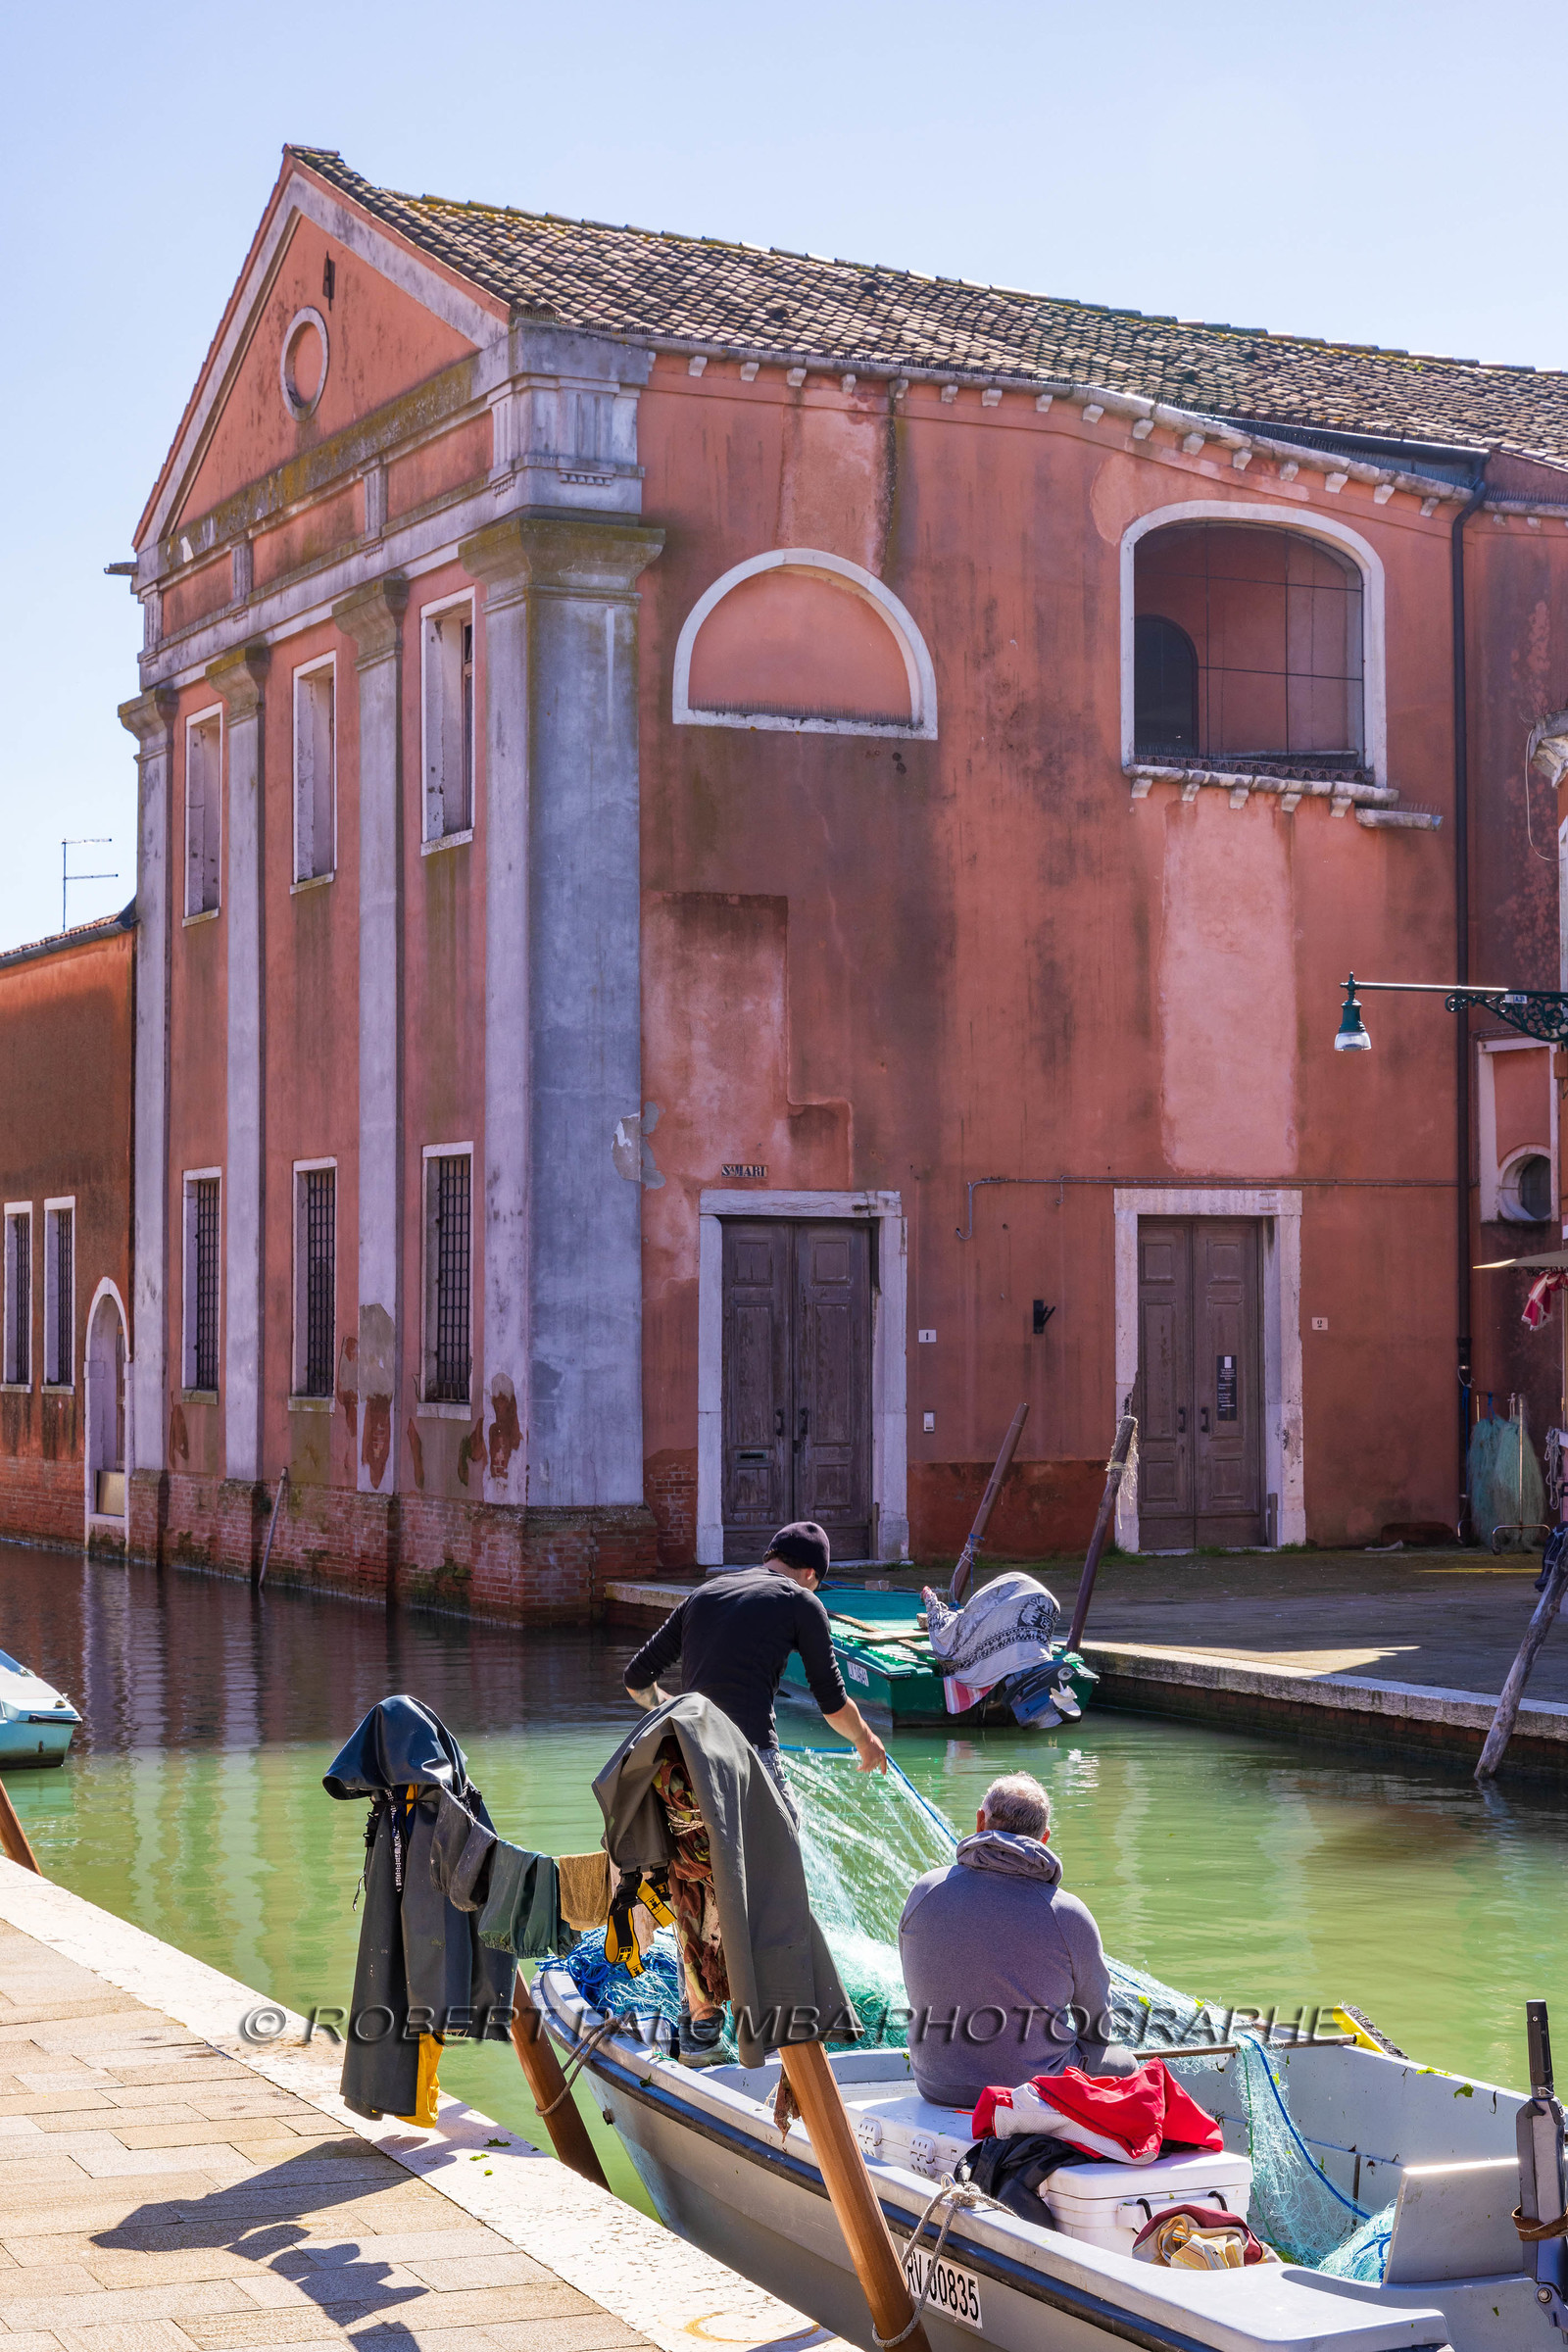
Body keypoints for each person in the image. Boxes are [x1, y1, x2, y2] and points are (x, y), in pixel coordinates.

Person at [624, 1521, 888, 2062]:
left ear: (769, 1555)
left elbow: (636, 1676)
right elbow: (831, 1701)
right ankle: (784, 2015)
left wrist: (678, 1718)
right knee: (774, 1884)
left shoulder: (706, 1592)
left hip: (682, 1768)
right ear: (811, 1574)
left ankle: (700, 2029)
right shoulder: (800, 1601)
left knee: (694, 1883)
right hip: (749, 1769)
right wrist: (866, 1743)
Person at [898, 1769, 1134, 2112]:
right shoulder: (1068, 1914)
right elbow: (1097, 2026)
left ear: (981, 1822)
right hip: (1027, 2094)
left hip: (935, 2085)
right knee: (1123, 2062)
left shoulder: (925, 1890)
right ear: (1044, 1838)